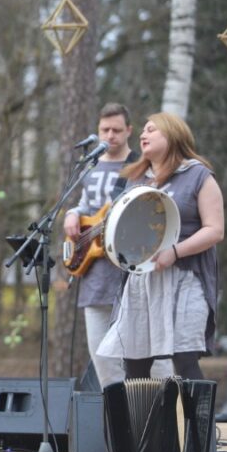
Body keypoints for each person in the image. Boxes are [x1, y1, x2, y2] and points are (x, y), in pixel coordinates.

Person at [97, 112, 224, 380]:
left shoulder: (198, 175)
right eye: (143, 130)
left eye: (151, 129)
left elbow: (215, 230)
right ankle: (142, 423)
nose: (143, 135)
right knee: (135, 362)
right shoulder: (137, 180)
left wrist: (174, 252)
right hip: (143, 282)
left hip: (186, 277)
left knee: (185, 358)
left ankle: (199, 423)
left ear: (172, 134)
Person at [62, 103, 169, 388]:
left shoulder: (140, 167)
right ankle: (118, 421)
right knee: (103, 360)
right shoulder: (90, 166)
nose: (110, 135)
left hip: (131, 275)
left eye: (116, 130)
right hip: (94, 274)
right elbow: (86, 204)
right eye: (104, 130)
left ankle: (165, 418)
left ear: (129, 131)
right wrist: (73, 213)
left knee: (152, 358)